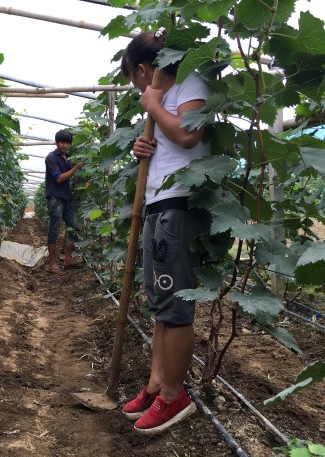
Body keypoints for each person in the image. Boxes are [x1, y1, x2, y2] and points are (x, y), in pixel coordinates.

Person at [119, 28, 211, 434]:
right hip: (159, 202)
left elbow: (189, 136)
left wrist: (153, 105)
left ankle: (176, 395)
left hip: (180, 203)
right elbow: (168, 141)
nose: (138, 87)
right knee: (160, 300)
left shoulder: (191, 83)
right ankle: (157, 384)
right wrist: (144, 145)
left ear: (143, 70)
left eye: (134, 79)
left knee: (175, 304)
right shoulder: (163, 99)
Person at [44, 129, 84, 274]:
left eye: (67, 143)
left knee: (74, 227)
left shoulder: (68, 158)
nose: (64, 145)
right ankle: (53, 263)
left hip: (67, 198)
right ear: (57, 143)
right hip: (55, 198)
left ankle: (68, 260)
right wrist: (75, 168)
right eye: (62, 142)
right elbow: (59, 178)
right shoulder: (51, 158)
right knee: (54, 229)